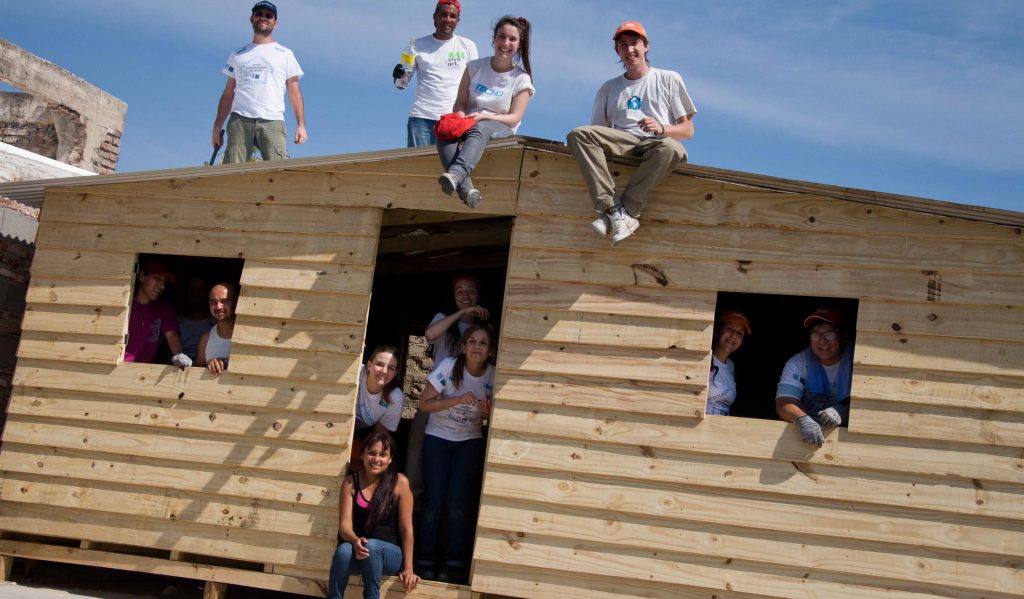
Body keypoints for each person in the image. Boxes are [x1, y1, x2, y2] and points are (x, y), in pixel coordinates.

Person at [566, 21, 697, 245]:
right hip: (623, 141)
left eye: (634, 43)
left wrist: (662, 128)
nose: (629, 50)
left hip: (656, 142)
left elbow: (688, 130)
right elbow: (597, 131)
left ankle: (625, 212)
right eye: (623, 45)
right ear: (617, 51)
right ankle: (610, 208)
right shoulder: (609, 88)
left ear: (646, 46)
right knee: (578, 133)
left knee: (673, 147)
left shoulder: (668, 78)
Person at [415, 324, 495, 585]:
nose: (476, 347)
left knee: (459, 504)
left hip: (469, 441)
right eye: (472, 341)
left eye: (483, 343)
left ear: (490, 350)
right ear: (463, 346)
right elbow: (424, 404)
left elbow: (495, 418)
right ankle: (424, 562)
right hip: (438, 438)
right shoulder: (449, 366)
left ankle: (454, 565)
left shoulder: (493, 374)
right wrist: (457, 399)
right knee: (434, 502)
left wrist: (486, 413)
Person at [436, 15, 535, 208]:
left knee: (481, 128)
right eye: (502, 36)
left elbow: (515, 118)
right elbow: (460, 102)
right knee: (444, 128)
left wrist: (483, 116)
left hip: (500, 126)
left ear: (519, 44)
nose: (505, 43)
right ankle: (467, 190)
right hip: (471, 120)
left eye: (512, 39)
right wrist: (459, 117)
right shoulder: (474, 67)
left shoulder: (522, 79)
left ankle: (456, 173)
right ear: (494, 39)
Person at [326, 431, 418, 599]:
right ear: (361, 455)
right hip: (361, 550)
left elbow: (407, 530)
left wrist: (408, 568)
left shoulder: (400, 483)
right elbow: (344, 526)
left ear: (390, 459)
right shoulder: (350, 483)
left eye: (383, 455)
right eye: (371, 453)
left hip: (390, 555)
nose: (376, 459)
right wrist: (355, 541)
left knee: (373, 545)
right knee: (343, 550)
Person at [212, 1, 306, 164]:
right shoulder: (237, 54)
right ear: (252, 18)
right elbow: (228, 93)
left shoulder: (285, 54)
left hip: (272, 119)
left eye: (268, 15)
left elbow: (294, 91)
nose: (264, 18)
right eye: (259, 14)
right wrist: (217, 127)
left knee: (279, 172)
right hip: (240, 120)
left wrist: (301, 125)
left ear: (275, 23)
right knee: (233, 171)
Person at [394, 0, 478, 147]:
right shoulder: (415, 45)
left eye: (452, 16)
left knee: (450, 169)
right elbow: (402, 83)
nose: (448, 20)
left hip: (453, 119)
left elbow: (475, 84)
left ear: (458, 20)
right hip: (421, 118)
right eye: (443, 15)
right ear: (435, 17)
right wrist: (398, 75)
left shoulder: (468, 46)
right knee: (419, 168)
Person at [776, 307, 854, 447]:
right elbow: (784, 402)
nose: (822, 341)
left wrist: (843, 412)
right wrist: (803, 419)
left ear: (844, 337)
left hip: (849, 441)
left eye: (829, 334)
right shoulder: (799, 363)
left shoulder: (858, 360)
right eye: (816, 334)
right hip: (810, 439)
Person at [125, 259, 190, 368]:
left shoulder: (164, 308)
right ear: (141, 276)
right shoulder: (126, 305)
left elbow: (172, 336)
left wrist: (179, 354)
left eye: (164, 281)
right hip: (120, 369)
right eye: (157, 278)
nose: (162, 286)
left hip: (147, 373)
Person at [706, 310, 751, 416]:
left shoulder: (730, 365)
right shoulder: (704, 359)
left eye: (739, 333)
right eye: (729, 328)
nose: (734, 336)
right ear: (717, 331)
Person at [354, 346, 405, 435]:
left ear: (395, 374)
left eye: (391, 368)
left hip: (361, 435)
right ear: (369, 365)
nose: (384, 371)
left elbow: (379, 434)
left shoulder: (395, 398)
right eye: (380, 364)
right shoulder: (356, 372)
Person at [197, 282, 238, 375]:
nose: (218, 307)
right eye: (213, 302)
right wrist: (209, 366)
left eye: (224, 301)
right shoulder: (205, 339)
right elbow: (194, 373)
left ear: (236, 302)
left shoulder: (248, 335)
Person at [177, 277, 215, 362]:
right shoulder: (174, 323)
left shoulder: (217, 324)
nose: (196, 293)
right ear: (185, 292)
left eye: (201, 289)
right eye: (192, 288)